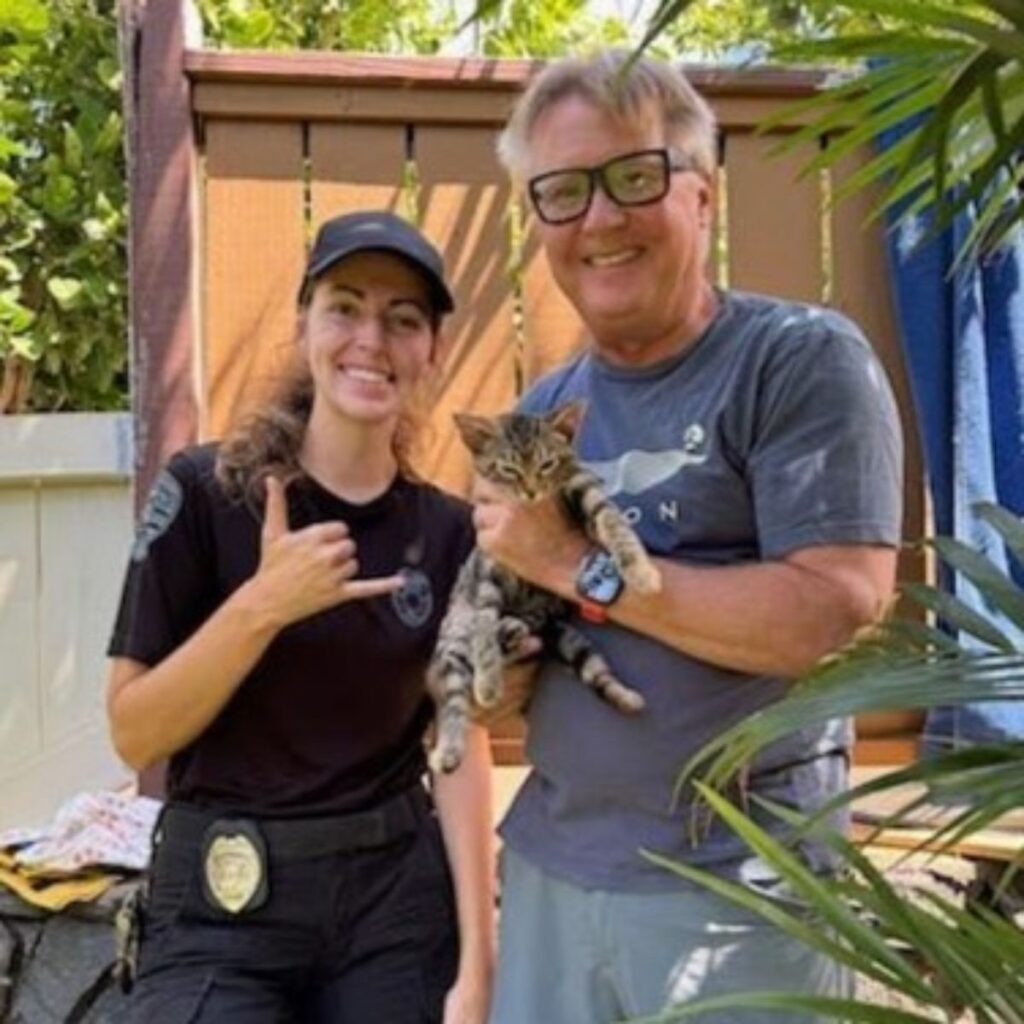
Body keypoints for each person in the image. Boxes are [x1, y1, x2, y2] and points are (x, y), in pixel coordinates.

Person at [477, 51, 905, 1022]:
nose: (598, 218)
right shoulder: (542, 414)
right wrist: (490, 664)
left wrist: (572, 565)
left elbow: (830, 608)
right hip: (552, 874)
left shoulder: (794, 360)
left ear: (702, 195)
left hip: (742, 891)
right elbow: (505, 682)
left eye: (633, 176)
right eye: (562, 191)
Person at [106, 211, 495, 1023]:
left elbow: (459, 743)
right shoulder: (206, 494)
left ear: (433, 350)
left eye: (403, 320)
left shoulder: (449, 533)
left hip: (394, 903)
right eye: (344, 307)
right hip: (222, 901)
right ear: (304, 324)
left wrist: (478, 965)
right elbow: (135, 733)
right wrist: (261, 606)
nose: (370, 340)